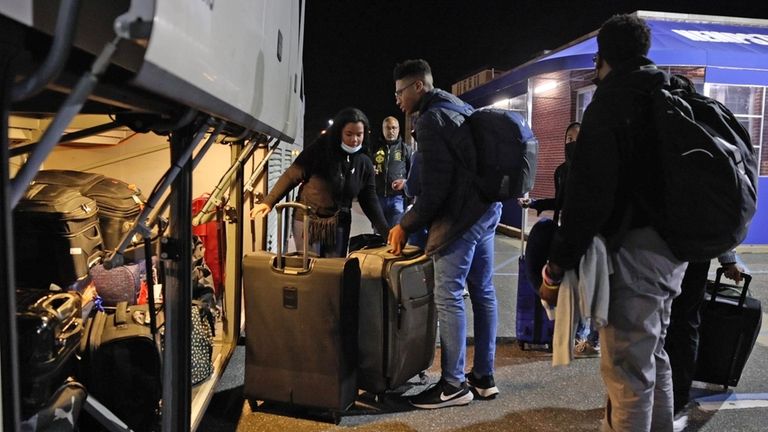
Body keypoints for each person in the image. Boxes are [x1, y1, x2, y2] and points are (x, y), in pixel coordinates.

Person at [539, 15, 689, 431]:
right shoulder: (672, 90)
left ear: (601, 56)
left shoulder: (612, 103)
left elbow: (588, 201)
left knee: (626, 372)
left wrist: (555, 266)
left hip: (636, 252)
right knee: (653, 356)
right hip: (673, 251)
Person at [388, 59, 502, 409]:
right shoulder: (459, 106)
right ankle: (483, 376)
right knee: (482, 291)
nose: (398, 100)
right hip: (487, 208)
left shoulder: (432, 120)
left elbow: (434, 193)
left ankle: (453, 384)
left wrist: (404, 225)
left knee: (448, 293)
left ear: (418, 86)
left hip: (463, 216)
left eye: (400, 92)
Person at [250, 107, 388, 257]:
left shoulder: (364, 163)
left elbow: (369, 199)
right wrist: (269, 202)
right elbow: (291, 176)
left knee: (333, 272)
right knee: (309, 270)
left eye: (359, 135)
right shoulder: (318, 151)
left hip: (339, 223)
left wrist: (386, 231)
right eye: (349, 134)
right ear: (339, 132)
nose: (354, 140)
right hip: (307, 220)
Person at [524, 122, 600, 358]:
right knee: (570, 283)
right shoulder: (561, 171)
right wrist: (535, 204)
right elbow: (561, 202)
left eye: (577, 138)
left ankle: (591, 339)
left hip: (591, 236)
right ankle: (577, 333)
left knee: (589, 288)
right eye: (568, 139)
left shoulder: (594, 168)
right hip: (566, 233)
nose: (571, 143)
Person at [666, 253, 746, 431]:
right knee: (684, 327)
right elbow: (718, 225)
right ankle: (673, 408)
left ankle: (656, 405)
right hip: (693, 254)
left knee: (656, 329)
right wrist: (728, 260)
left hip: (654, 252)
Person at [370, 116, 412, 231]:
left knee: (396, 233)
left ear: (398, 129)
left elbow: (413, 174)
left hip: (397, 198)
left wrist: (405, 183)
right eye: (388, 128)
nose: (391, 131)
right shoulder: (374, 148)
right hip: (378, 198)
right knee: (378, 235)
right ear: (383, 129)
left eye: (394, 128)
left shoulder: (406, 149)